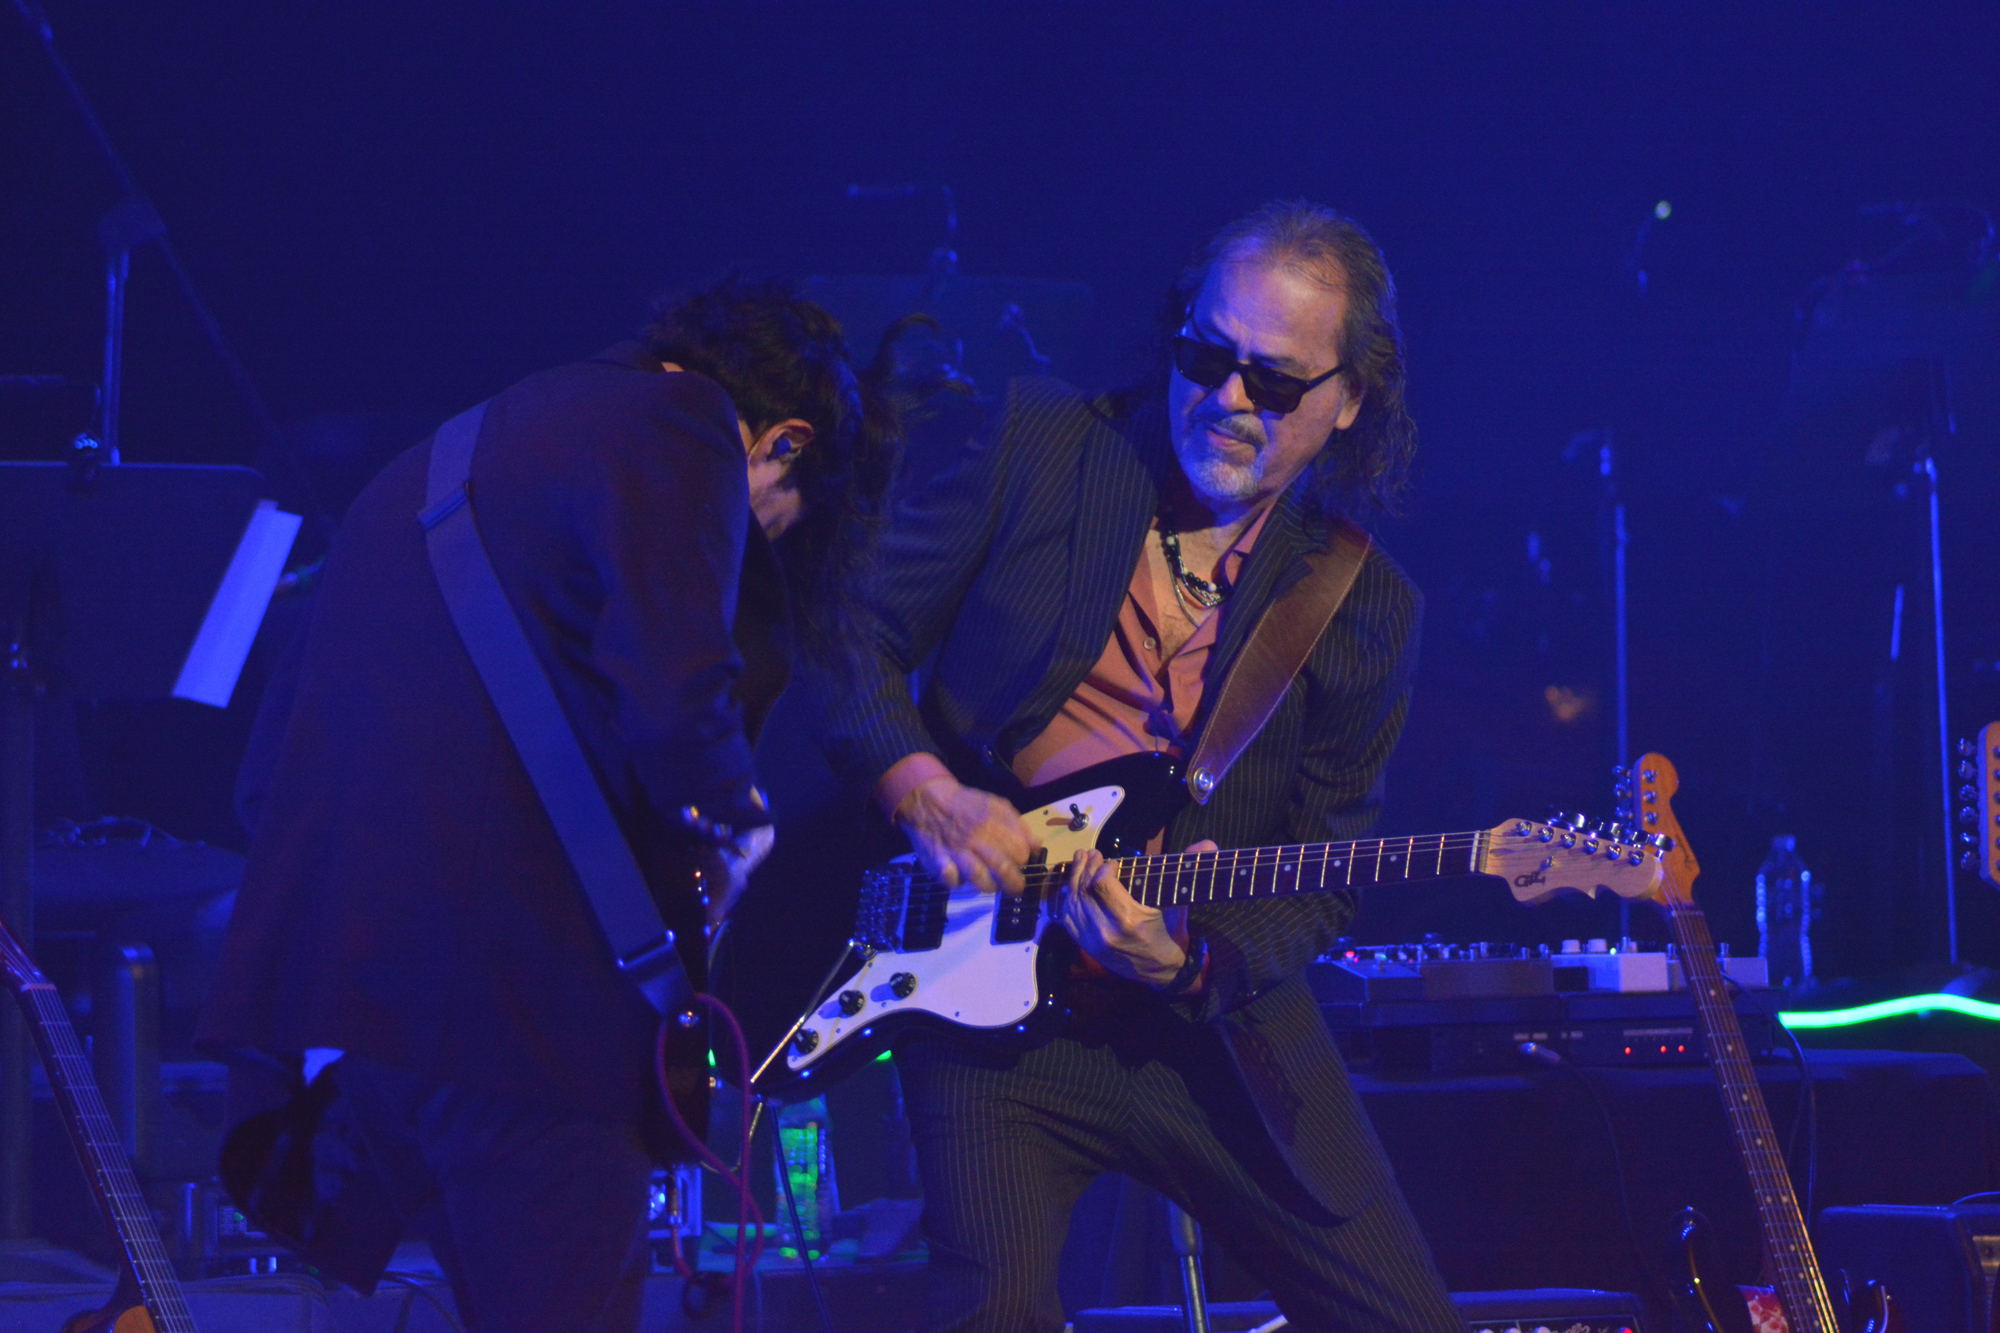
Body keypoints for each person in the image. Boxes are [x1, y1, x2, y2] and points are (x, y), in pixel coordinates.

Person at [810, 201, 1463, 1332]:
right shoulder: (1041, 447)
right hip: (986, 999)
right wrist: (927, 788)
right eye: (1204, 357)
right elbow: (848, 633)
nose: (1225, 400)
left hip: (1210, 1021)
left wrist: (1190, 960)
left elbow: (1321, 868)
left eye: (1274, 381)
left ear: (1349, 400)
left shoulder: (1364, 609)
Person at [198, 279, 896, 1333]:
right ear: (782, 444)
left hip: (361, 1046)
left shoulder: (447, 457)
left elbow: (263, 778)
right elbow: (674, 703)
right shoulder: (684, 423)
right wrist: (738, 831)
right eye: (771, 527)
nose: (749, 550)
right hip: (523, 1034)